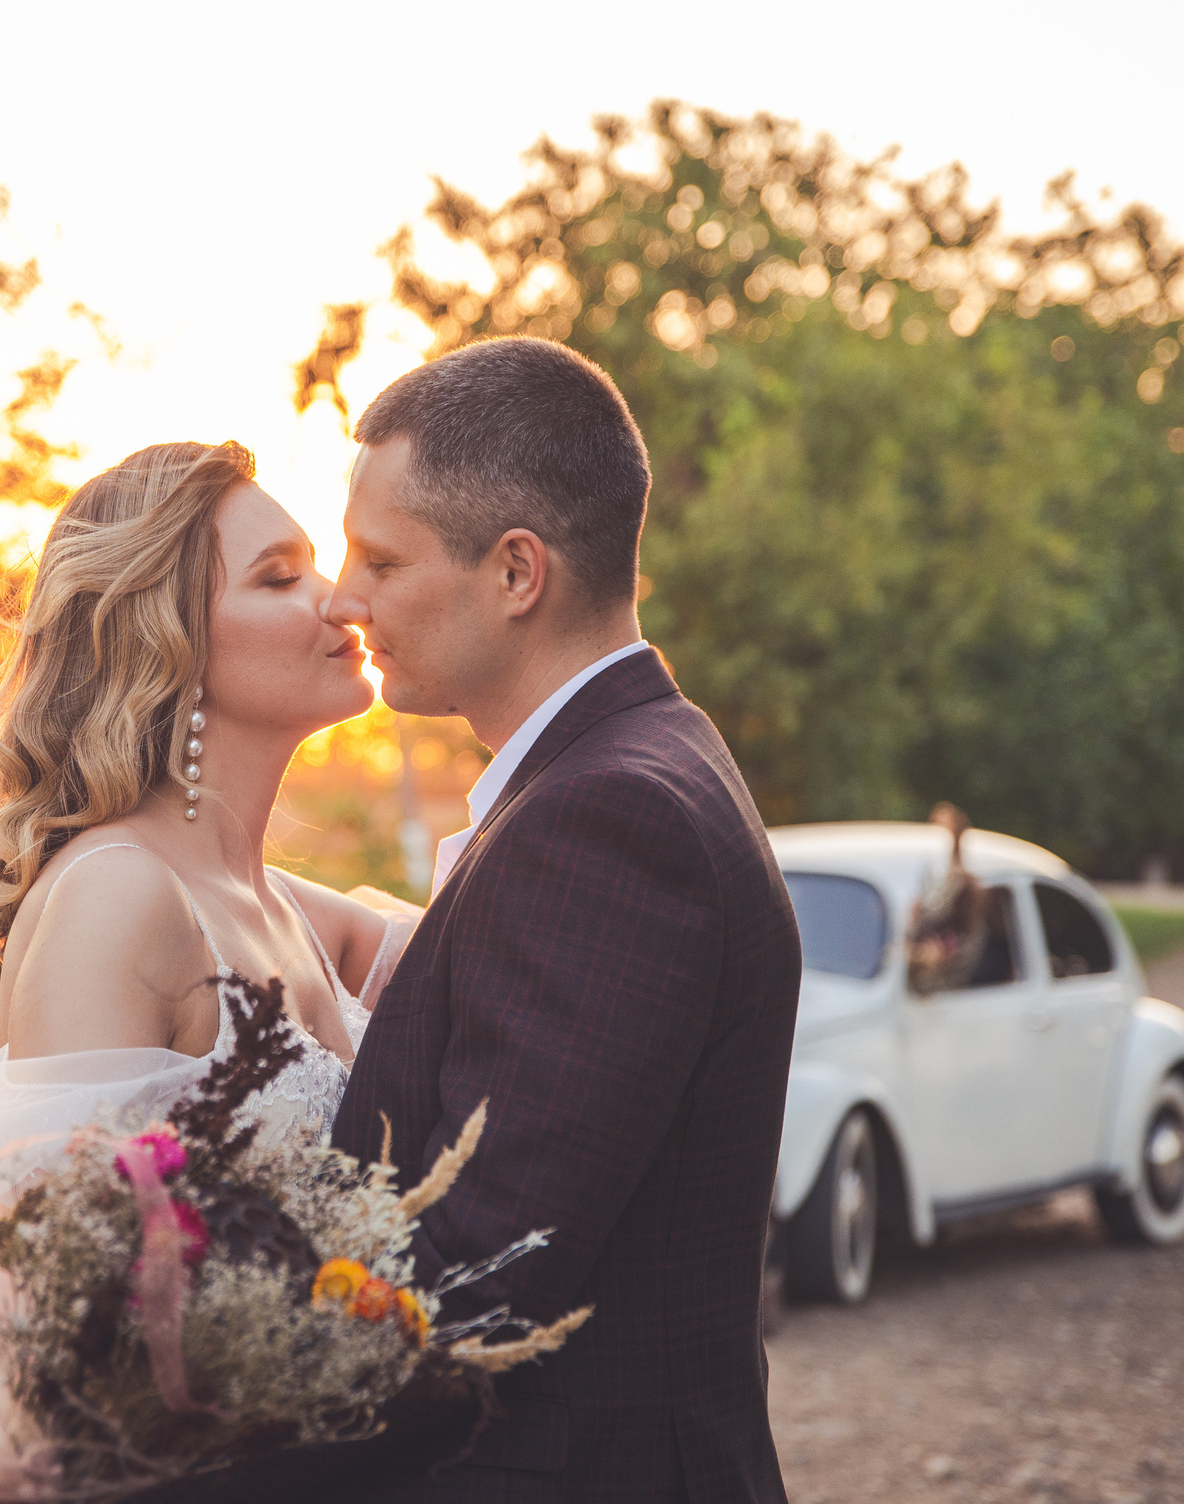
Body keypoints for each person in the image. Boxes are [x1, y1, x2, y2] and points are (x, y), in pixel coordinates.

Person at [0, 440, 418, 1403]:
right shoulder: (118, 896)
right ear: (169, 645)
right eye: (280, 577)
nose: (339, 600)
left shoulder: (282, 904)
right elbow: (39, 1319)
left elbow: (485, 929)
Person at [321, 337, 802, 1502]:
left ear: (516, 573)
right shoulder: (631, 764)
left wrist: (148, 1466)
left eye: (380, 560)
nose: (345, 598)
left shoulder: (607, 818)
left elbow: (473, 1285)